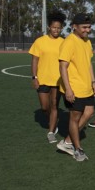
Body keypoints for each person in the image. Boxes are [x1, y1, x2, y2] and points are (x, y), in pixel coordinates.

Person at [55, 13, 95, 162]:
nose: (87, 30)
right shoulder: (69, 42)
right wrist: (68, 89)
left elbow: (88, 63)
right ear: (74, 26)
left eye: (89, 27)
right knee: (75, 118)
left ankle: (67, 141)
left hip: (86, 86)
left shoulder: (87, 41)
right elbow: (63, 67)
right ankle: (78, 149)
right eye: (84, 27)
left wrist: (93, 82)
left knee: (90, 112)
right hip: (74, 87)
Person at [28, 10, 66, 144]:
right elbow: (34, 60)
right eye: (54, 27)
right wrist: (34, 77)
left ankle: (51, 131)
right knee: (45, 107)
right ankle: (53, 120)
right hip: (43, 78)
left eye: (59, 28)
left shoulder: (64, 42)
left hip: (58, 80)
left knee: (54, 105)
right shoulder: (40, 41)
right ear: (49, 27)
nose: (56, 30)